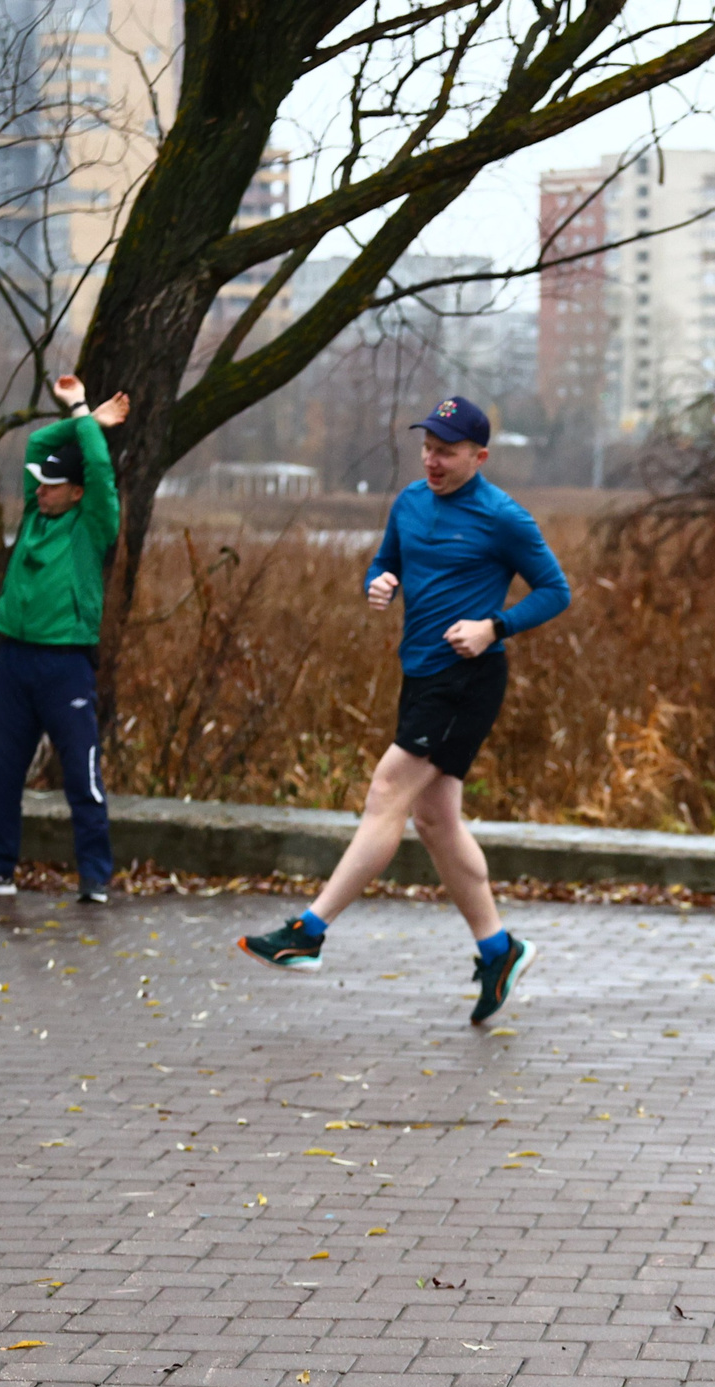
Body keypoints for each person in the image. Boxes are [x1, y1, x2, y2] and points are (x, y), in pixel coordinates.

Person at [236, 396, 570, 1025]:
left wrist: (494, 626)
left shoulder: (504, 517)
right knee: (436, 819)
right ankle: (499, 950)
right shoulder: (410, 502)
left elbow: (557, 591)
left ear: (479, 456)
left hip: (465, 678)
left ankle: (309, 932)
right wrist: (378, 581)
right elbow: (386, 559)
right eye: (427, 447)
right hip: (418, 676)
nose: (432, 460)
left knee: (387, 788)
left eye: (446, 450)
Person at [0, 376, 128, 906]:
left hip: (66, 664)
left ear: (76, 493)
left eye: (53, 485)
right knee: (2, 771)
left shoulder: (92, 525)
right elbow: (37, 447)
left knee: (81, 774)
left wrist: (82, 410)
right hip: (14, 658)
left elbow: (100, 470)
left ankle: (95, 877)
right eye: (40, 484)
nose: (40, 489)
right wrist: (88, 423)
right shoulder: (38, 515)